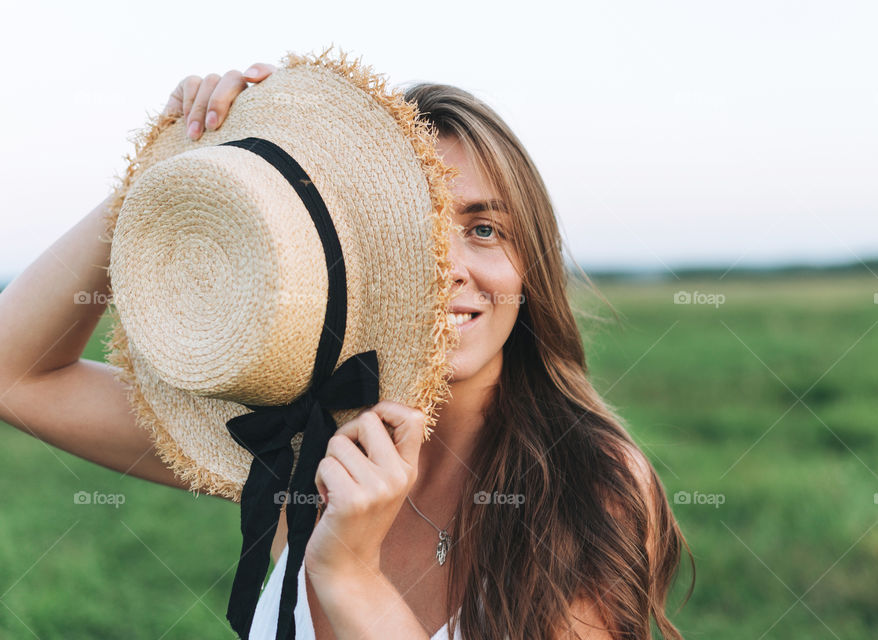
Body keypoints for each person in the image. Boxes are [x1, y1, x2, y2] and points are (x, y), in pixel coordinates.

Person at [0, 60, 694, 639]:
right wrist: (166, 167)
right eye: (411, 225)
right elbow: (16, 376)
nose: (444, 262)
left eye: (483, 229)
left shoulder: (587, 479)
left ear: (530, 268)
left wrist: (350, 573)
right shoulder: (298, 442)